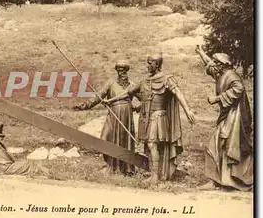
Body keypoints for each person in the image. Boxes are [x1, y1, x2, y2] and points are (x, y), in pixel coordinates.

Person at [103, 54, 196, 184]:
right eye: (147, 63)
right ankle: (156, 174)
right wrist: (110, 100)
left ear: (157, 64)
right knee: (150, 145)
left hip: (158, 116)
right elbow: (126, 93)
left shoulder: (166, 79)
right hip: (147, 118)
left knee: (153, 144)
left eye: (150, 63)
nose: (147, 66)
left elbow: (178, 93)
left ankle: (155, 177)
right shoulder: (145, 80)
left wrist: (187, 110)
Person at [195, 46, 253, 191]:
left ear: (222, 64)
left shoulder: (232, 76)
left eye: (216, 62)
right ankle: (217, 180)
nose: (213, 64)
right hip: (227, 115)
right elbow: (209, 65)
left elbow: (238, 90)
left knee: (222, 144)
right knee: (218, 144)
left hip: (235, 116)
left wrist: (217, 99)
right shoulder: (221, 73)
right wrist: (201, 53)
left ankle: (229, 180)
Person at [73, 60, 139, 176]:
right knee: (105, 138)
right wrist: (86, 105)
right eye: (119, 69)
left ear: (127, 70)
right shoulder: (111, 83)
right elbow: (99, 96)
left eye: (123, 69)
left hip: (126, 116)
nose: (121, 72)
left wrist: (136, 106)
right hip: (113, 115)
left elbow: (144, 99)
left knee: (125, 141)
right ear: (116, 71)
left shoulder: (132, 85)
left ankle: (126, 169)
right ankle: (109, 165)